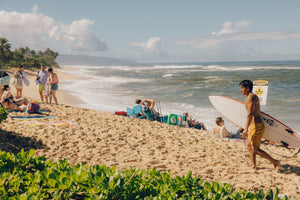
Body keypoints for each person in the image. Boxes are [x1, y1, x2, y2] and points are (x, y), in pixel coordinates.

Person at [239, 79, 280, 170]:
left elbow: (250, 114)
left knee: (254, 149)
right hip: (254, 126)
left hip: (256, 126)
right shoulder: (252, 96)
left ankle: (275, 162)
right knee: (250, 146)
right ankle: (254, 165)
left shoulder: (251, 97)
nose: (240, 90)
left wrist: (245, 129)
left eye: (242, 88)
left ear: (247, 88)